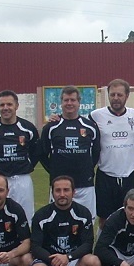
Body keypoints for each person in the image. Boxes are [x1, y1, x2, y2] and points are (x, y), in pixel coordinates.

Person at [29, 175, 101, 266]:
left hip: (73, 260)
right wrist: (56, 261)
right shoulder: (41, 215)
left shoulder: (83, 213)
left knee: (94, 262)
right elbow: (35, 247)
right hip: (49, 260)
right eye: (58, 190)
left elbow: (88, 244)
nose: (62, 194)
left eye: (66, 190)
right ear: (52, 192)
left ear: (74, 192)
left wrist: (68, 257)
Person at [40, 85, 100, 215]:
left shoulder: (90, 126)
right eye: (66, 100)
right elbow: (42, 154)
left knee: (86, 219)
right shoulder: (51, 127)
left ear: (79, 102)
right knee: (58, 220)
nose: (69, 103)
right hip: (59, 186)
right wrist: (54, 170)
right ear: (61, 103)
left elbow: (96, 153)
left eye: (73, 100)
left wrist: (86, 168)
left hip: (84, 184)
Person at [0, 90, 39, 221]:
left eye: (9, 104)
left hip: (23, 180)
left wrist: (28, 165)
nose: (5, 108)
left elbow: (36, 152)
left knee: (26, 216)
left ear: (16, 106)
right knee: (0, 216)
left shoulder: (28, 128)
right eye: (2, 105)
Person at [90, 79, 134, 227]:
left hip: (129, 175)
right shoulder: (95, 115)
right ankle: (103, 242)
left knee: (132, 215)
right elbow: (77, 122)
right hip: (106, 175)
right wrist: (58, 118)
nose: (116, 98)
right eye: (112, 95)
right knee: (105, 219)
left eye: (119, 95)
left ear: (127, 96)